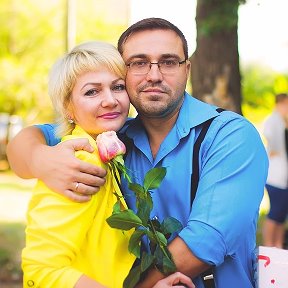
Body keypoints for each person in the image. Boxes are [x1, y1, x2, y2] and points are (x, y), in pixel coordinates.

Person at [7, 18, 268, 288]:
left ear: (187, 69)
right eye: (139, 62)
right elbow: (34, 137)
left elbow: (207, 239)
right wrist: (40, 158)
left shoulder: (229, 135)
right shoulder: (106, 137)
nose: (154, 75)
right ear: (125, 71)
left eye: (168, 62)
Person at [19, 40, 193, 288]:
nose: (110, 100)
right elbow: (42, 270)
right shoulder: (80, 161)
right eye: (92, 91)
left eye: (118, 87)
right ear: (68, 107)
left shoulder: (105, 153)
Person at [262, 93, 288, 248]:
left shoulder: (282, 121)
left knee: (281, 214)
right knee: (275, 212)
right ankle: (268, 245)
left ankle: (277, 245)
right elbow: (271, 139)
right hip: (275, 177)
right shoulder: (273, 120)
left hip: (283, 178)